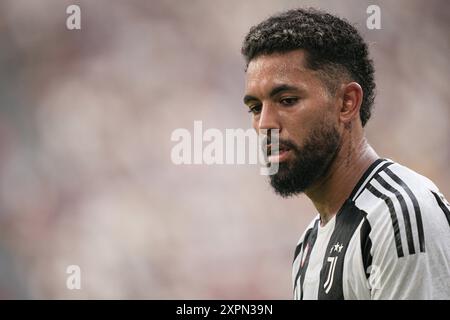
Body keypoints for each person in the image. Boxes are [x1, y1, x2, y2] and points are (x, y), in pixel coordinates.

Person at [241, 8, 450, 300]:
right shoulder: (308, 246)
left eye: (287, 100)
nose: (265, 125)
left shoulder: (399, 216)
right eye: (255, 108)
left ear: (346, 104)